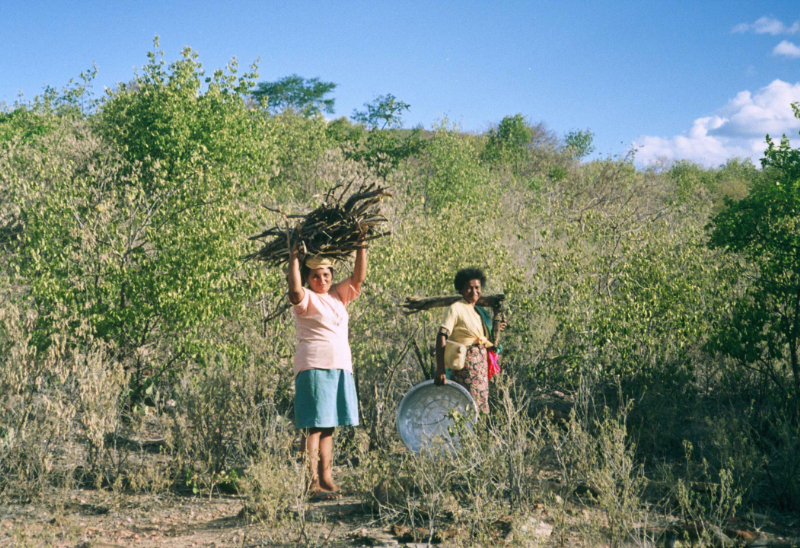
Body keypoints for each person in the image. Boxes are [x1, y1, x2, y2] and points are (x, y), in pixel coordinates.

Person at [287, 243, 367, 501]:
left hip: (340, 366)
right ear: (308, 279)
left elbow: (358, 278)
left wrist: (361, 246)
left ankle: (327, 479)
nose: (321, 280)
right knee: (314, 426)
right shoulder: (306, 299)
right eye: (315, 276)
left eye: (326, 275)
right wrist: (294, 260)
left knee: (329, 425)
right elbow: (294, 290)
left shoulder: (338, 295)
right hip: (313, 367)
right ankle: (311, 483)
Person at [433, 268, 505, 414]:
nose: (474, 292)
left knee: (481, 402)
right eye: (469, 288)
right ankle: (467, 434)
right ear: (461, 289)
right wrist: (440, 369)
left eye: (477, 288)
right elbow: (442, 335)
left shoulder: (478, 311)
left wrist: (496, 328)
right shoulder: (456, 308)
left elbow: (481, 334)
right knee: (467, 403)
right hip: (465, 364)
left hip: (480, 363)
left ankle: (478, 434)